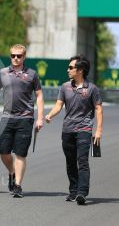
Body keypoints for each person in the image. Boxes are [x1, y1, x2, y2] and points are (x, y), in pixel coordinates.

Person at [45, 55, 103, 205]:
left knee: (82, 161)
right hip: (67, 130)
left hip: (84, 129)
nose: (68, 70)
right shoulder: (65, 87)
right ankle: (73, 190)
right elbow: (59, 105)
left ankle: (82, 192)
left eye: (71, 67)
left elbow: (98, 109)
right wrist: (50, 115)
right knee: (70, 162)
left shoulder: (92, 89)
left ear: (80, 70)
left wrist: (98, 130)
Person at [0, 44, 44, 198]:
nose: (15, 58)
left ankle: (18, 186)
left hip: (25, 118)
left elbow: (39, 96)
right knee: (4, 152)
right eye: (13, 55)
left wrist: (39, 118)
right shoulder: (3, 73)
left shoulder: (32, 75)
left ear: (24, 57)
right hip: (7, 118)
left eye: (19, 56)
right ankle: (12, 172)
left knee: (20, 154)